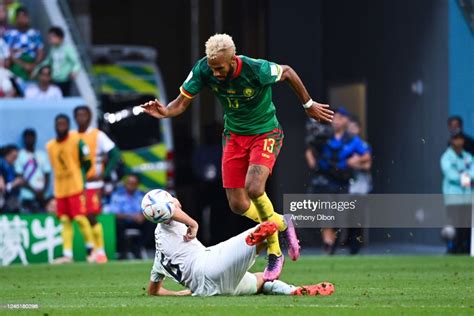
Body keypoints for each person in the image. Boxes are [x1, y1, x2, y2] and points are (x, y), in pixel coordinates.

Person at [141, 33, 334, 280]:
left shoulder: (256, 69)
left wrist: (308, 105)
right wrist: (166, 111)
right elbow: (181, 102)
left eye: (220, 68)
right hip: (233, 137)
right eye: (212, 67)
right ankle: (283, 222)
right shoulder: (204, 69)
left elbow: (287, 72)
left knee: (254, 188)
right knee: (238, 205)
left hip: (265, 133)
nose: (216, 73)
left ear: (232, 59)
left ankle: (275, 252)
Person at [147, 195, 335, 297]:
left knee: (261, 280)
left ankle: (292, 290)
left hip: (207, 291)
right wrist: (193, 224)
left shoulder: (159, 258)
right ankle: (272, 239)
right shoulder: (169, 221)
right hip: (208, 265)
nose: (174, 200)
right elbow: (169, 209)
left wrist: (180, 293)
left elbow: (153, 291)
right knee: (264, 228)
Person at [305, 107, 371, 254]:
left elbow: (366, 156)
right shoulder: (324, 134)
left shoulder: (352, 139)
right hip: (324, 178)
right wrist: (312, 161)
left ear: (346, 121)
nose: (336, 120)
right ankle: (328, 241)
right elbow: (310, 148)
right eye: (334, 117)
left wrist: (356, 160)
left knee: (340, 214)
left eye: (340, 118)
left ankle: (334, 240)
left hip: (342, 180)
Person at [72, 105, 121, 263]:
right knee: (81, 216)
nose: (81, 118)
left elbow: (115, 155)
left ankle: (99, 252)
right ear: (75, 117)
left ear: (90, 116)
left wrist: (104, 174)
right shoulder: (71, 136)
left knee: (91, 215)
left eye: (84, 115)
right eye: (78, 115)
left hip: (93, 183)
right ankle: (91, 251)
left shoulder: (97, 135)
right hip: (75, 183)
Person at [46, 114, 95, 263]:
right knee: (65, 221)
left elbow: (87, 162)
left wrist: (80, 177)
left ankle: (91, 252)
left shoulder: (76, 141)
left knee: (80, 218)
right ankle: (67, 255)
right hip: (60, 188)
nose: (61, 126)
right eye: (59, 124)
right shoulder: (50, 146)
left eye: (64, 124)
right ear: (55, 126)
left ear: (68, 125)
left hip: (75, 186)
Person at [440, 132, 473, 254]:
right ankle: (451, 248)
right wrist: (465, 177)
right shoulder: (446, 157)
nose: (458, 142)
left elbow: (473, 169)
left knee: (466, 226)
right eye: (456, 139)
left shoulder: (467, 156)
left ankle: (464, 248)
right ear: (452, 141)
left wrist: (467, 176)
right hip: (453, 197)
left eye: (460, 139)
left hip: (467, 197)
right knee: (453, 225)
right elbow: (450, 174)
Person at [107, 173, 148, 260]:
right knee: (117, 223)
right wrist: (131, 216)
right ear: (125, 183)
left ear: (137, 185)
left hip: (138, 222)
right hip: (123, 221)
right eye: (128, 182)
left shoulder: (142, 195)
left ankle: (138, 247)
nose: (130, 185)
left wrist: (143, 216)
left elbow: (148, 209)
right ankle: (122, 251)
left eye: (133, 183)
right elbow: (114, 213)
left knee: (151, 222)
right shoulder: (117, 195)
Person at [34, 26, 80, 96]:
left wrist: (74, 71)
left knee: (64, 98)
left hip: (64, 80)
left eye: (52, 37)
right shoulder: (52, 49)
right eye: (49, 37)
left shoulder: (68, 49)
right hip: (53, 80)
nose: (50, 40)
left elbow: (76, 62)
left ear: (60, 38)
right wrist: (36, 70)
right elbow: (47, 62)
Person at [14, 128, 51, 213]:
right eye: (27, 137)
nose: (30, 139)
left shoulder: (42, 155)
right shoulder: (20, 155)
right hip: (26, 195)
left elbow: (47, 174)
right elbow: (19, 177)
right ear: (24, 139)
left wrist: (43, 191)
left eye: (32, 137)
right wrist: (34, 191)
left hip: (42, 196)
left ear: (35, 138)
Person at [4, 7, 44, 82]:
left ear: (28, 18)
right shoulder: (9, 34)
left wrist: (34, 64)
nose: (23, 20)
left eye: (25, 17)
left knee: (42, 73)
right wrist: (24, 65)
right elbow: (9, 53)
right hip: (17, 62)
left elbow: (40, 51)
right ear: (16, 19)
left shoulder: (35, 33)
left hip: (33, 61)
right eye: (20, 17)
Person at [0, 144, 23, 213]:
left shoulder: (11, 167)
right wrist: (14, 183)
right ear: (7, 154)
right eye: (13, 156)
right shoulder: (2, 163)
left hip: (9, 196)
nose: (15, 159)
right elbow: (2, 187)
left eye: (16, 157)